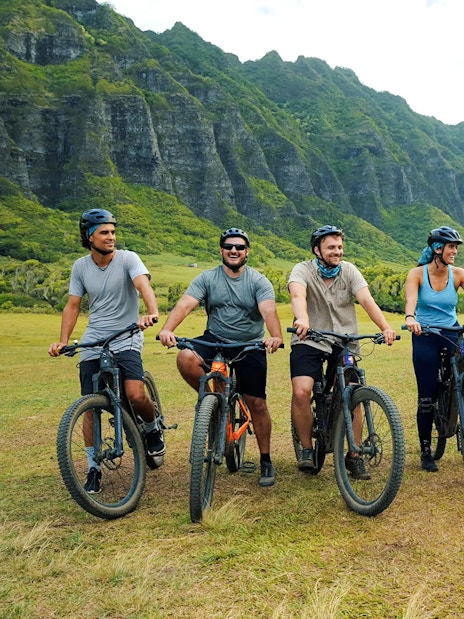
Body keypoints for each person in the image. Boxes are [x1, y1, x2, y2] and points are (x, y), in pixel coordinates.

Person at [48, 208, 164, 493]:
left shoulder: (128, 258)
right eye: (104, 232)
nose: (111, 237)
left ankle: (152, 428)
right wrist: (63, 340)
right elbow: (73, 305)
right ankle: (92, 467)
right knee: (90, 406)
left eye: (113, 232)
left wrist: (151, 312)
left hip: (126, 335)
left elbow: (143, 285)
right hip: (94, 338)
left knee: (135, 393)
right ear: (89, 237)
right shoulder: (80, 267)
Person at [158, 227, 283, 487]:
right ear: (221, 250)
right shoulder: (207, 278)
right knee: (185, 358)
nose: (234, 250)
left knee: (256, 402)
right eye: (229, 247)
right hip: (215, 339)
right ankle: (213, 402)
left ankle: (266, 459)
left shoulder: (258, 281)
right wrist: (168, 329)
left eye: (239, 247)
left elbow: (268, 309)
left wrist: (274, 335)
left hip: (249, 344)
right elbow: (185, 304)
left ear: (247, 252)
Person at [288, 225, 396, 479]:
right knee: (302, 391)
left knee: (353, 391)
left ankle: (354, 455)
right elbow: (297, 295)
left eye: (339, 247)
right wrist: (302, 319)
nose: (337, 252)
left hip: (344, 340)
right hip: (310, 338)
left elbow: (366, 300)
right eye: (331, 248)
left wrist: (385, 327)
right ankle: (305, 448)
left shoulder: (349, 271)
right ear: (317, 250)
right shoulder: (302, 270)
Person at [404, 226, 464, 472]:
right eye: (451, 247)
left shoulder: (459, 274)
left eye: (456, 248)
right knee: (427, 396)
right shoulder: (417, 274)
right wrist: (410, 318)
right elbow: (411, 302)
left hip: (451, 332)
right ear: (437, 249)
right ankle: (426, 450)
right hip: (425, 333)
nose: (455, 252)